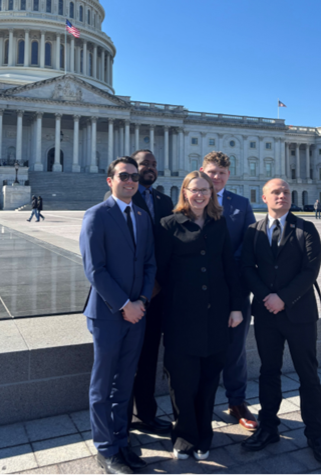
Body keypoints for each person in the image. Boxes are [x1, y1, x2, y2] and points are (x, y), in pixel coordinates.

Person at [241, 179, 321, 467]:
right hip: (267, 314)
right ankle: (269, 427)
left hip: (299, 314)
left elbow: (310, 270)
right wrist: (266, 296)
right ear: (264, 197)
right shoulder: (253, 231)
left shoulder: (306, 228)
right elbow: (247, 267)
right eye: (276, 193)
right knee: (269, 372)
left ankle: (316, 435)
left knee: (309, 375)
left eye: (285, 192)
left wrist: (282, 298)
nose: (282, 196)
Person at [157, 171, 245, 461]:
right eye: (194, 189)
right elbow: (161, 273)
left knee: (208, 381)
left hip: (216, 315)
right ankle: (184, 435)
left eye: (205, 190)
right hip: (181, 318)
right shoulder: (169, 225)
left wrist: (236, 306)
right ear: (184, 192)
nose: (200, 195)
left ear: (212, 193)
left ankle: (203, 433)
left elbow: (229, 267)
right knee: (182, 382)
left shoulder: (218, 224)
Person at [80, 157, 157, 476]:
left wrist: (140, 301)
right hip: (109, 314)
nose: (130, 181)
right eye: (123, 176)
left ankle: (122, 439)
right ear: (109, 180)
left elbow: (150, 264)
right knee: (102, 384)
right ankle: (105, 448)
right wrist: (125, 304)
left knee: (125, 381)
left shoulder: (141, 215)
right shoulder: (96, 215)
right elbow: (94, 269)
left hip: (136, 312)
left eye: (135, 177)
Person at [200, 152, 258, 431]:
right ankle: (201, 405)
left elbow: (250, 243)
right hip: (200, 291)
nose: (217, 177)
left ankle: (237, 402)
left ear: (228, 175)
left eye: (222, 173)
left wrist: (225, 269)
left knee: (236, 350)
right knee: (201, 347)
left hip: (234, 288)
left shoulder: (241, 204)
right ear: (202, 171)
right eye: (212, 172)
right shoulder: (192, 200)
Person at [129, 150, 174, 435]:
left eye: (154, 164)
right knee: (127, 358)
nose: (150, 168)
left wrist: (159, 282)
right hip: (131, 294)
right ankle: (122, 420)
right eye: (145, 163)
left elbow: (169, 245)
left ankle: (145, 413)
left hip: (157, 293)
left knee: (149, 356)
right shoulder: (123, 196)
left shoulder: (164, 200)